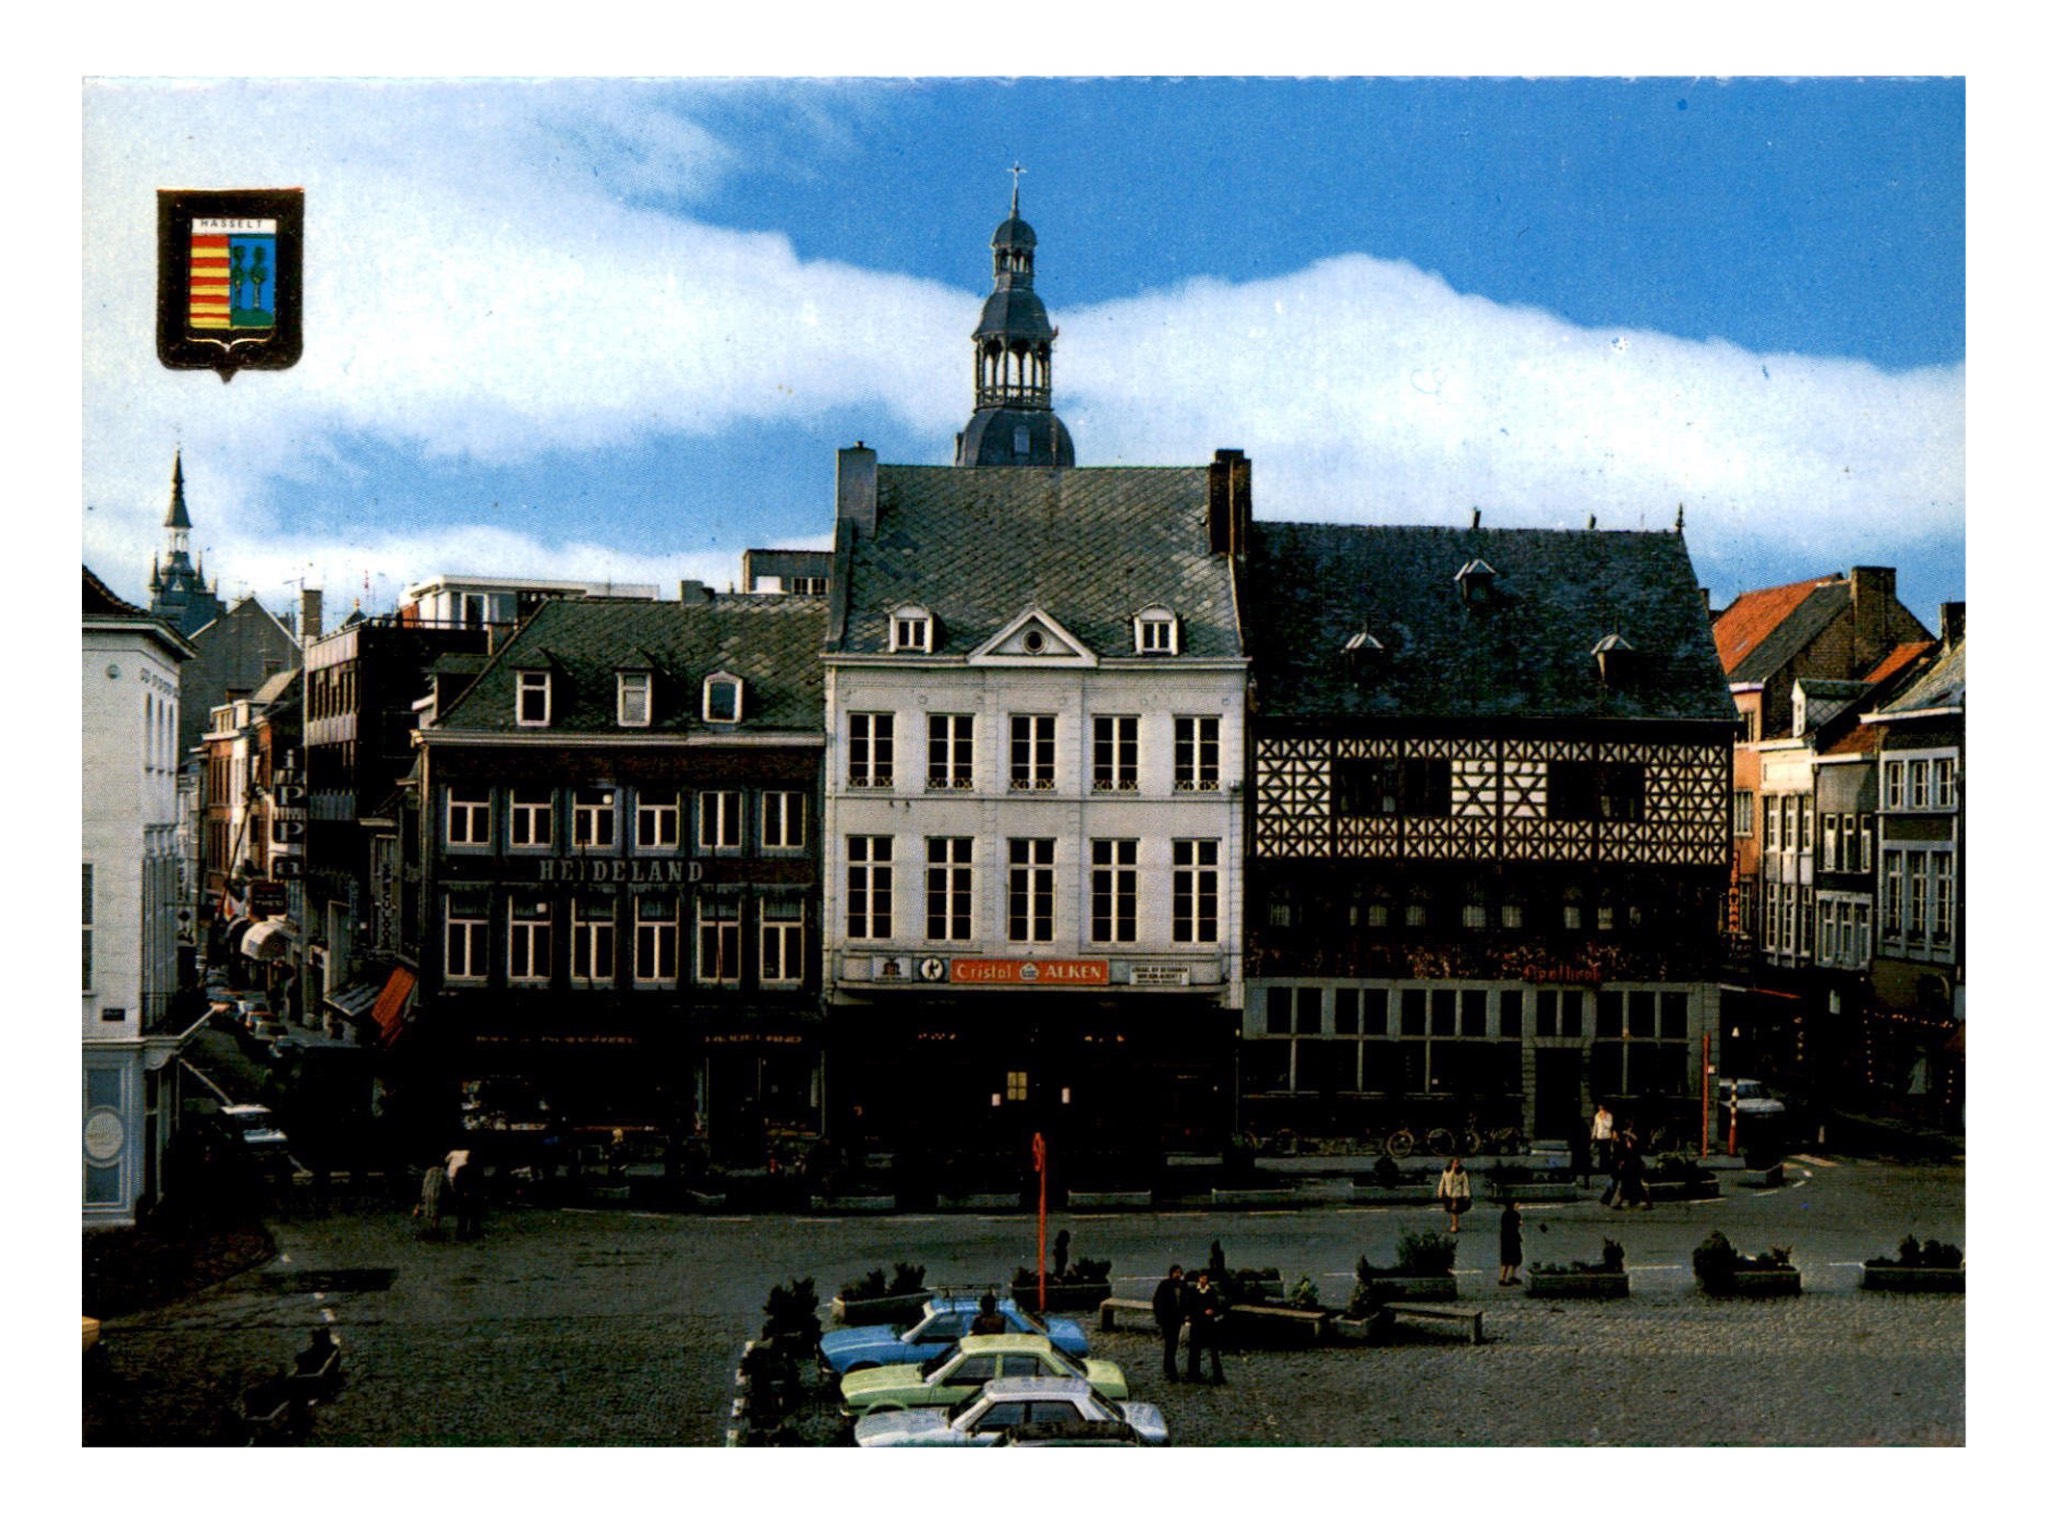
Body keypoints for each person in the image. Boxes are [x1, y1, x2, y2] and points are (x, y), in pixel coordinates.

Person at [1184, 1269, 1224, 1385]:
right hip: (1197, 1324)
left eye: (1205, 1278)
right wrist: (1202, 1311)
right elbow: (1190, 1306)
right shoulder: (1193, 1291)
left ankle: (1217, 1375)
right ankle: (1193, 1374)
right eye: (1202, 1278)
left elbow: (1216, 1305)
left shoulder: (1211, 1291)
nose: (1203, 1280)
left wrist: (1213, 1311)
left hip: (1209, 1325)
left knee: (1214, 1351)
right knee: (1194, 1350)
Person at [1151, 1264, 1186, 1383]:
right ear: (1171, 1273)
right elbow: (1157, 1302)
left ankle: (1168, 1367)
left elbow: (1186, 1301)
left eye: (1179, 1272)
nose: (1178, 1274)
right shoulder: (1164, 1285)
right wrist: (1159, 1318)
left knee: (1173, 1344)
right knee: (1170, 1344)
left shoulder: (1183, 1285)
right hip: (1167, 1320)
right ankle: (1171, 1370)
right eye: (1176, 1272)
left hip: (1177, 1320)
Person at [1436, 1156, 1473, 1232]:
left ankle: (1454, 1226)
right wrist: (1440, 1191)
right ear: (1451, 1163)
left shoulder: (1462, 1172)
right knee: (1452, 1210)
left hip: (1457, 1194)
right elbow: (1442, 1182)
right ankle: (1455, 1225)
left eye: (1458, 1163)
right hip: (1449, 1193)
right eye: (1455, 1163)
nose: (1456, 1165)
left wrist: (1467, 1194)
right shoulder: (1446, 1171)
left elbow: (1466, 1184)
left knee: (1454, 1211)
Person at [417, 1161, 447, 1236]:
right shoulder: (443, 1173)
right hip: (439, 1194)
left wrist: (423, 1194)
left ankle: (430, 1228)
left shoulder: (430, 1172)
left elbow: (425, 1183)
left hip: (429, 1194)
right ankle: (435, 1227)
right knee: (437, 1212)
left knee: (429, 1210)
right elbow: (446, 1184)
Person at [1497, 1199, 1523, 1286]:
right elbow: (1516, 1225)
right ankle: (1505, 1278)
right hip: (1512, 1238)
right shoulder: (1515, 1215)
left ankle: (1505, 1277)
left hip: (1505, 1238)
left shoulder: (1505, 1214)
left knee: (1507, 1259)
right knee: (1512, 1258)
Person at [1591, 1103, 1616, 1173]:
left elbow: (1609, 1126)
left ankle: (1607, 1167)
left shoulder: (1609, 1115)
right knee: (1601, 1153)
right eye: (1599, 1108)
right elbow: (1595, 1126)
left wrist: (1603, 1119)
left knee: (1606, 1153)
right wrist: (1593, 1134)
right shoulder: (1597, 1115)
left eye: (1602, 1108)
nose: (1601, 1109)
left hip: (1607, 1137)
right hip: (1599, 1137)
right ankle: (1601, 1168)